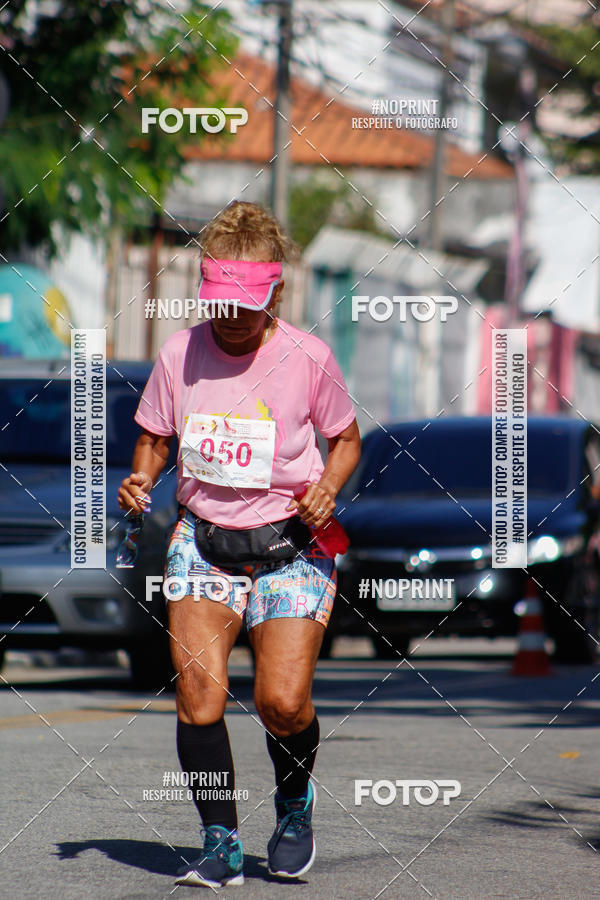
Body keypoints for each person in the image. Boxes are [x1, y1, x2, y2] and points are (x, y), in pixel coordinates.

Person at [117, 200, 361, 888]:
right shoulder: (180, 353)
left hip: (291, 545)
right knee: (199, 699)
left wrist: (327, 487)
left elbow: (345, 440)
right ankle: (219, 838)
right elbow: (155, 437)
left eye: (245, 305)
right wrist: (142, 476)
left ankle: (293, 802)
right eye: (219, 302)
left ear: (275, 293)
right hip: (203, 541)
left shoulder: (308, 357)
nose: (230, 317)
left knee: (283, 703)